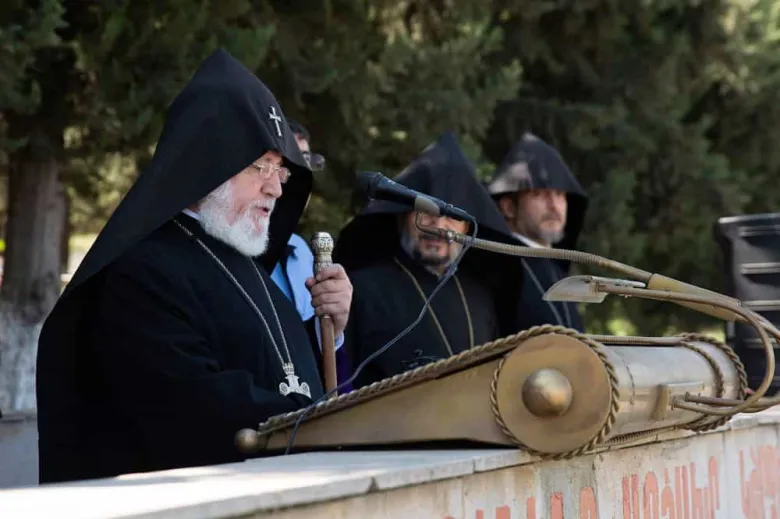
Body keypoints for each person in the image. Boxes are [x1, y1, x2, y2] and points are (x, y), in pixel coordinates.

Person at [34, 49, 353, 484]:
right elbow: (188, 403)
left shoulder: (248, 268)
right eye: (261, 167)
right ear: (210, 163)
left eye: (280, 171)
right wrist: (315, 420)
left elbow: (284, 375)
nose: (276, 189)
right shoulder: (141, 271)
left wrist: (330, 330)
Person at [335, 132, 524, 389]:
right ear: (402, 216)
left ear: (467, 228)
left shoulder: (480, 297)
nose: (438, 226)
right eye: (426, 212)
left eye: (452, 216)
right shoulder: (361, 289)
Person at [269, 119, 351, 388]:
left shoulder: (303, 252)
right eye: (288, 162)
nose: (299, 176)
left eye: (305, 162)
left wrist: (332, 327)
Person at [486, 132, 589, 331]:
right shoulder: (496, 269)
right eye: (539, 194)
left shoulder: (558, 272)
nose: (554, 206)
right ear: (509, 208)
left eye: (559, 194)